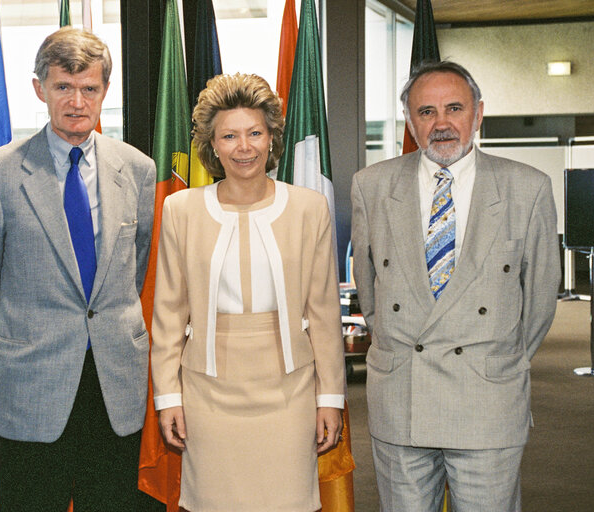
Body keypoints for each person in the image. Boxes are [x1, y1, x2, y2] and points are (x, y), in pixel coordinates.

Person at [351, 60, 561, 512]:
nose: (441, 123)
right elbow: (370, 292)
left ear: (478, 113)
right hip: (402, 397)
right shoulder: (371, 186)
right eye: (426, 112)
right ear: (409, 121)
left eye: (454, 108)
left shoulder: (528, 188)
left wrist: (498, 360)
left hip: (487, 399)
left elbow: (541, 299)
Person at [0, 27, 155, 510]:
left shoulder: (138, 170)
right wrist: (21, 338)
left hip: (114, 382)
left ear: (104, 92)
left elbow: (136, 268)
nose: (76, 101)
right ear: (39, 89)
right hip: (32, 380)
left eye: (89, 88)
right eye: (63, 87)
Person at [151, 73, 346, 512]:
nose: (245, 147)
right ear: (212, 144)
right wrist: (168, 398)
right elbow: (167, 317)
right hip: (207, 397)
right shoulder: (180, 209)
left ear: (272, 137)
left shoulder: (309, 209)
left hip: (290, 396)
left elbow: (323, 315)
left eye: (255, 133)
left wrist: (330, 398)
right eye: (230, 136)